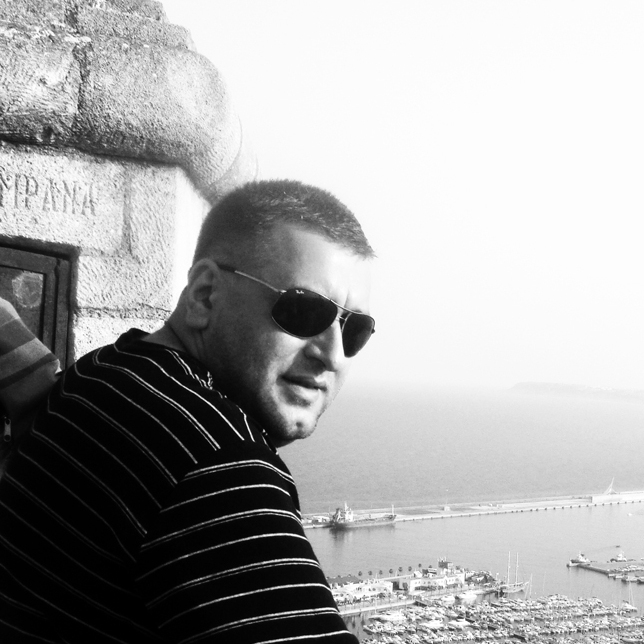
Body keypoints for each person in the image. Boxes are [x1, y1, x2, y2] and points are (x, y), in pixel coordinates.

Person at [0, 179, 376, 643]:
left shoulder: (105, 371)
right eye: (304, 312)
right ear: (204, 295)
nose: (333, 355)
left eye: (354, 330)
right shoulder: (218, 467)